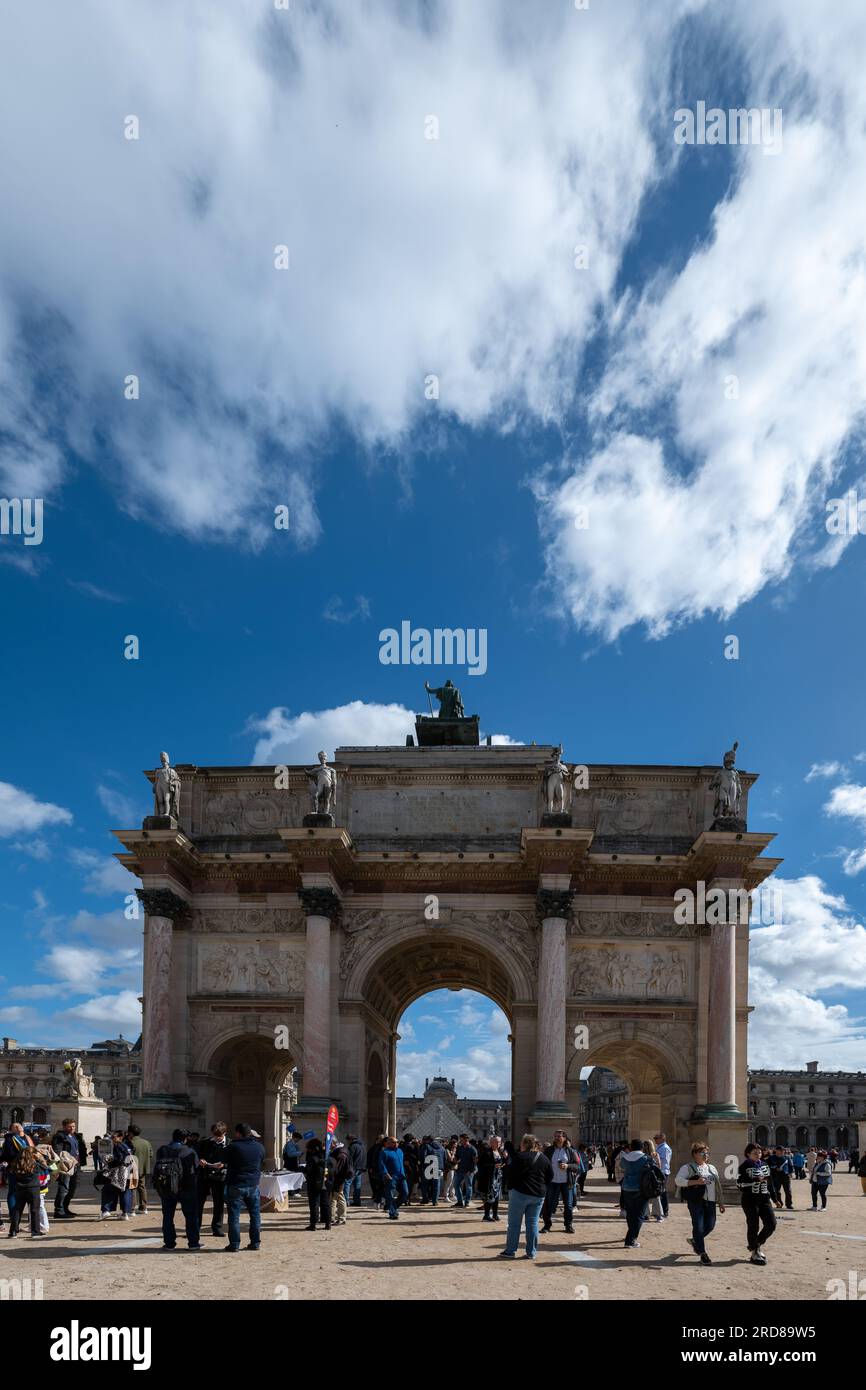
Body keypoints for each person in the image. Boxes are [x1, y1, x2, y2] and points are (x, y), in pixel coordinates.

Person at [497, 1134, 553, 1260]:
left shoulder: (520, 1156)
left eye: (521, 1143)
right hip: (538, 1195)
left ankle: (511, 1251)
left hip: (520, 1193)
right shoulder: (544, 1158)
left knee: (514, 1224)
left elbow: (511, 1174)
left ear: (525, 1144)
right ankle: (531, 1252)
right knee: (532, 1223)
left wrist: (511, 1187)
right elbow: (550, 1176)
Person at [675, 1142, 725, 1265]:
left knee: (710, 1226)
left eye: (707, 1152)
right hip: (696, 1201)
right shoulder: (688, 1167)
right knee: (698, 1226)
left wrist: (721, 1202)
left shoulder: (711, 1168)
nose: (705, 1155)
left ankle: (694, 1240)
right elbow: (678, 1181)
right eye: (702, 1152)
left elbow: (717, 1186)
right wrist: (695, 1182)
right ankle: (702, 1253)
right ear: (695, 1154)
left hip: (711, 1201)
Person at [153, 1128, 201, 1250]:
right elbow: (195, 1170)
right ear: (185, 1139)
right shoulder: (189, 1151)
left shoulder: (162, 1150)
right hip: (186, 1187)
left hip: (166, 1187)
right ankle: (193, 1243)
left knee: (168, 1216)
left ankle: (169, 1243)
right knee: (190, 1216)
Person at [224, 1122, 265, 1251]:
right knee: (255, 1215)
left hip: (236, 1183)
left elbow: (222, 1159)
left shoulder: (233, 1146)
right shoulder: (259, 1147)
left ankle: (235, 1244)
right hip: (253, 1184)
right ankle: (255, 1242)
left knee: (234, 1216)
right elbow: (261, 1162)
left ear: (238, 1133)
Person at [3, 1124, 45, 1238]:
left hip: (20, 1188)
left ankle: (13, 1231)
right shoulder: (35, 1165)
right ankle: (35, 1231)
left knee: (17, 1209)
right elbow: (47, 1168)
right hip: (33, 1188)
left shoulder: (16, 1165)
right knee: (34, 1209)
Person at [737, 1143, 776, 1265]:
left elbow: (770, 1183)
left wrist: (775, 1198)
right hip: (750, 1199)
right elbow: (739, 1184)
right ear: (748, 1154)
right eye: (755, 1152)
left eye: (759, 1152)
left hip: (764, 1198)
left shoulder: (765, 1165)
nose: (758, 1155)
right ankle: (754, 1253)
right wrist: (754, 1180)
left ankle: (756, 1244)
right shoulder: (744, 1166)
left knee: (771, 1223)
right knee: (753, 1225)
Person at [541, 1130, 580, 1234]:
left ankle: (568, 1225)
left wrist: (568, 1166)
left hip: (566, 1182)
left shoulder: (571, 1151)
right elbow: (543, 1164)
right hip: (552, 1181)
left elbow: (577, 1166)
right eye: (556, 1136)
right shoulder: (549, 1150)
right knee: (548, 1204)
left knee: (568, 1205)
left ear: (564, 1138)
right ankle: (547, 1225)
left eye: (560, 1136)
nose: (557, 1138)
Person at [197, 1121, 229, 1238]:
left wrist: (224, 1165)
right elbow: (197, 1155)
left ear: (225, 1133)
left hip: (220, 1177)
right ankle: (195, 1227)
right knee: (199, 1203)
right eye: (215, 1135)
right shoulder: (204, 1143)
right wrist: (200, 1160)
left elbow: (234, 1161)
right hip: (204, 1176)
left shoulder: (230, 1144)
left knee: (218, 1203)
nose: (216, 1138)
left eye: (219, 1136)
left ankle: (217, 1227)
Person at [619, 1140, 653, 1249]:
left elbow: (622, 1167)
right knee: (639, 1215)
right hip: (641, 1188)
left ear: (631, 1147)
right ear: (642, 1147)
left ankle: (631, 1235)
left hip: (627, 1187)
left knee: (630, 1213)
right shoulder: (646, 1158)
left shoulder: (625, 1158)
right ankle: (631, 1239)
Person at [98, 1130, 136, 1220]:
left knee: (107, 1190)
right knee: (125, 1192)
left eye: (113, 1137)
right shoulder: (126, 1146)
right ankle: (125, 1213)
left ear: (120, 1137)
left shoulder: (119, 1146)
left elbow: (119, 1159)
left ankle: (105, 1210)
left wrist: (109, 1160)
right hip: (127, 1171)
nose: (111, 1138)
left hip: (118, 1172)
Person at [51, 1117, 81, 1220]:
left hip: (74, 1165)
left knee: (72, 1189)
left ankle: (65, 1207)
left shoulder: (74, 1136)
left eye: (74, 1126)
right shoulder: (60, 1137)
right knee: (64, 1188)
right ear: (64, 1126)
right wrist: (62, 1164)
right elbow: (57, 1151)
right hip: (65, 1166)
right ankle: (59, 1210)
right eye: (70, 1126)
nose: (72, 1128)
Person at [126, 1125, 153, 1217]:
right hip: (143, 1168)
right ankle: (143, 1207)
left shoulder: (130, 1142)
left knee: (132, 1188)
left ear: (130, 1133)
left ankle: (132, 1209)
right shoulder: (146, 1142)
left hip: (132, 1168)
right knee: (142, 1187)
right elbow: (151, 1155)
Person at [378, 1136, 407, 1220]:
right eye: (394, 1142)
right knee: (390, 1196)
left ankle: (393, 1207)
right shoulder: (385, 1152)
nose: (396, 1143)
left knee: (405, 1194)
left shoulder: (400, 1151)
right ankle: (393, 1213)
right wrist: (386, 1173)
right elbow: (381, 1164)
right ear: (388, 1143)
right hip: (391, 1177)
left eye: (397, 1142)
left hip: (401, 1176)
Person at [476, 1135, 504, 1220]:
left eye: (500, 1142)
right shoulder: (486, 1152)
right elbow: (481, 1164)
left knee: (496, 1197)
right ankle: (486, 1215)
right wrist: (493, 1166)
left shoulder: (499, 1151)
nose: (499, 1143)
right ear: (492, 1143)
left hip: (497, 1178)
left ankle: (495, 1214)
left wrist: (504, 1160)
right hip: (489, 1179)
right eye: (497, 1142)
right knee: (489, 1196)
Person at [329, 1141, 352, 1225]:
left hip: (338, 1179)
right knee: (334, 1197)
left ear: (333, 1143)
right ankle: (332, 1217)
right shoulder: (338, 1152)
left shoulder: (341, 1154)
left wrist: (332, 1176)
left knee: (339, 1197)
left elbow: (338, 1169)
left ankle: (341, 1218)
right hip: (338, 1178)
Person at [420, 1135, 446, 1207]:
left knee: (425, 1184)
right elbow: (445, 1158)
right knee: (436, 1185)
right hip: (438, 1168)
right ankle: (435, 1201)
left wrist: (423, 1166)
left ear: (428, 1140)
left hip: (429, 1168)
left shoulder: (426, 1146)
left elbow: (423, 1157)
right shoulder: (442, 1147)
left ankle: (425, 1199)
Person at [453, 1134, 478, 1208]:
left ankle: (467, 1202)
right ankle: (460, 1201)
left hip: (468, 1171)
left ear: (466, 1140)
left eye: (461, 1140)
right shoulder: (460, 1148)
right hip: (460, 1170)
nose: (460, 1141)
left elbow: (475, 1161)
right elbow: (457, 1158)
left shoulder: (472, 1149)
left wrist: (471, 1170)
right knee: (456, 1185)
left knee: (468, 1186)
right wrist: (455, 1157)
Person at [653, 1131, 672, 1219]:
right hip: (660, 1171)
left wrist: (656, 1158)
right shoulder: (660, 1147)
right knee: (660, 1191)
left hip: (663, 1172)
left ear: (662, 1139)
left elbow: (665, 1162)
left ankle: (665, 1211)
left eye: (656, 1138)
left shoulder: (664, 1148)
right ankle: (661, 1210)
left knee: (662, 1191)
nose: (655, 1140)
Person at [767, 1145, 793, 1210]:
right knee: (777, 1191)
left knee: (788, 1191)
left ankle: (789, 1204)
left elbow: (790, 1166)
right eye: (779, 1151)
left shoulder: (787, 1157)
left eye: (782, 1151)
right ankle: (780, 1204)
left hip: (785, 1176)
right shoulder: (771, 1158)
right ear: (776, 1151)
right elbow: (768, 1166)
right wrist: (775, 1168)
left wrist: (790, 1173)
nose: (781, 1152)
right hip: (776, 1176)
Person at [346, 1134, 366, 1206]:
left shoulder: (352, 1146)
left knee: (347, 1183)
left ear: (350, 1140)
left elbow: (349, 1158)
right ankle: (357, 1201)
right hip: (360, 1168)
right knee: (357, 1185)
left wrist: (348, 1168)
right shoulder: (362, 1146)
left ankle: (346, 1201)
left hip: (353, 1168)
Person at [368, 1134, 386, 1209]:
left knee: (382, 1187)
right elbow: (374, 1159)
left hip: (378, 1170)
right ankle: (379, 1201)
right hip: (379, 1170)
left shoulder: (377, 1147)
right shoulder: (377, 1147)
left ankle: (380, 1201)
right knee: (382, 1186)